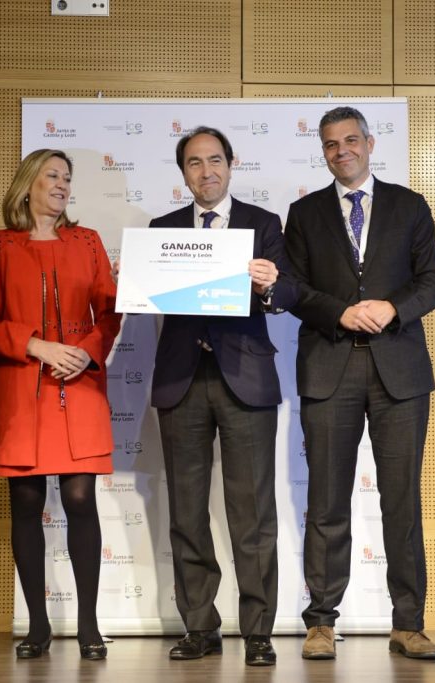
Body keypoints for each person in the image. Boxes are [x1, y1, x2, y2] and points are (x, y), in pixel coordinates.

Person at [284, 106, 435, 661]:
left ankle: (409, 624)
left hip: (399, 373)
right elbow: (292, 289)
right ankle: (320, 624)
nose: (343, 151)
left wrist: (391, 307)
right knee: (327, 502)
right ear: (324, 152)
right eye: (331, 144)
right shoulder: (304, 213)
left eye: (351, 140)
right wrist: (339, 312)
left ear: (370, 144)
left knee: (402, 502)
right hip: (329, 369)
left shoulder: (410, 205)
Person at [149, 127, 296, 667]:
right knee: (186, 512)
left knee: (252, 511)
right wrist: (134, 280)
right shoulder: (161, 230)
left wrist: (268, 285)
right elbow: (150, 295)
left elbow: (288, 293)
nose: (206, 171)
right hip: (181, 378)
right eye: (194, 162)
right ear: (183, 172)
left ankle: (258, 631)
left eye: (215, 160)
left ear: (231, 164)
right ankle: (199, 626)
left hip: (245, 377)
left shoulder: (264, 223)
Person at [0, 149, 120, 661]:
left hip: (79, 384)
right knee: (25, 503)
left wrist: (84, 352)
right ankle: (37, 626)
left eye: (67, 177)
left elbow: (110, 311)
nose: (61, 184)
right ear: (28, 185)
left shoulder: (88, 241)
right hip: (21, 388)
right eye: (51, 175)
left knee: (81, 500)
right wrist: (35, 346)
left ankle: (89, 625)